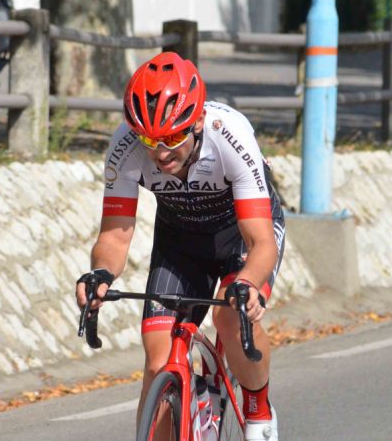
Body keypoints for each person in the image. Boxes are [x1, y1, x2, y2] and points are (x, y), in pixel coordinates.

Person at [76, 51, 285, 441]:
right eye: (149, 139)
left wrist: (248, 283)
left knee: (229, 316)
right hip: (180, 241)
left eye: (172, 138)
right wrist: (100, 274)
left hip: (241, 236)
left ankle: (258, 406)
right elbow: (115, 236)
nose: (160, 152)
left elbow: (261, 242)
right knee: (158, 362)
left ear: (198, 121)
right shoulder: (124, 146)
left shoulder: (230, 136)